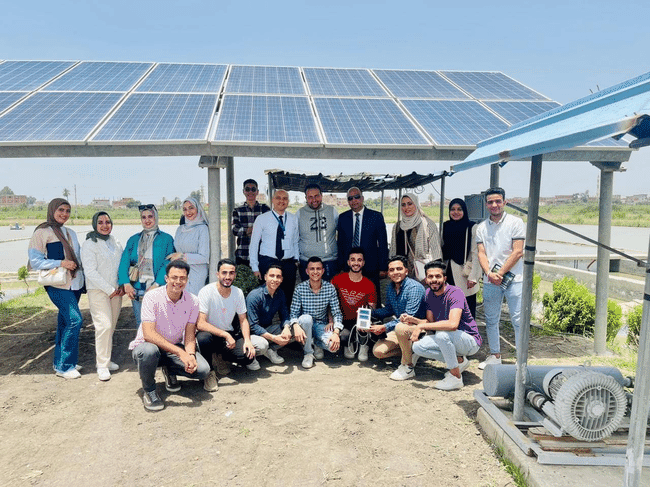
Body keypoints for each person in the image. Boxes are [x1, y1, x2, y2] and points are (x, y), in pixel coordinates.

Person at [129, 260, 210, 411]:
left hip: (173, 347)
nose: (178, 282)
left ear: (187, 279)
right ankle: (150, 391)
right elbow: (148, 334)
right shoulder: (151, 297)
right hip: (149, 346)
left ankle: (169, 370)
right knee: (148, 352)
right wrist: (181, 353)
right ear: (166, 278)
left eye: (182, 278)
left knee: (203, 370)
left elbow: (190, 333)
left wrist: (190, 354)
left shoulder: (193, 301)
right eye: (174, 277)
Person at [399, 261, 482, 390]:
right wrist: (414, 320)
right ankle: (459, 361)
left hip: (469, 341)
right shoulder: (428, 294)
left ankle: (456, 377)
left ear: (445, 278)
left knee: (442, 335)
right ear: (426, 279)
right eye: (430, 277)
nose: (434, 280)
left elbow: (452, 325)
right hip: (448, 338)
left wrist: (420, 327)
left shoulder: (455, 293)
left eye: (438, 276)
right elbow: (432, 324)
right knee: (418, 347)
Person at [28, 198, 85, 379]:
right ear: (52, 210)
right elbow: (35, 261)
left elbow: (78, 257)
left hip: (74, 283)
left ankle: (61, 361)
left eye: (68, 211)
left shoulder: (70, 232)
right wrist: (61, 262)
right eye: (60, 210)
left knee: (64, 322)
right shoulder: (42, 232)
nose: (64, 214)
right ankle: (65, 367)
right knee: (75, 320)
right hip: (56, 283)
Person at [195, 259, 268, 391]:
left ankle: (221, 357)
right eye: (224, 273)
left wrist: (247, 341)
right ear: (217, 274)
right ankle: (210, 373)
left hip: (227, 336)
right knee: (203, 338)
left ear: (235, 275)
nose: (227, 277)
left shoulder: (237, 292)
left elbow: (243, 320)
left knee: (248, 356)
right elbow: (200, 323)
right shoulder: (206, 291)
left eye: (231, 273)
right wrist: (225, 334)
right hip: (210, 334)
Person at [476, 187, 525, 370]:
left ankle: (521, 359)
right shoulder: (481, 227)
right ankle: (495, 355)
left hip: (515, 279)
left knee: (518, 320)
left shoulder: (516, 222)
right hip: (491, 280)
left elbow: (518, 251)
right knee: (491, 319)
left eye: (498, 201)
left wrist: (500, 273)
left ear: (504, 202)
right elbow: (481, 253)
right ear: (486, 204)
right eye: (490, 202)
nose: (494, 205)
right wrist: (489, 273)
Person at [81, 211, 124, 381]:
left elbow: (121, 265)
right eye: (100, 222)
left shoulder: (115, 241)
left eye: (107, 222)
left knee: (111, 327)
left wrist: (120, 285)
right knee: (103, 326)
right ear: (94, 224)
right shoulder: (89, 244)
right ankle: (101, 366)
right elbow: (90, 271)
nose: (105, 225)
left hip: (116, 291)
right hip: (98, 291)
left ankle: (107, 359)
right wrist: (109, 289)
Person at [118, 204, 175, 326]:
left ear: (156, 217)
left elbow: (167, 263)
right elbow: (124, 261)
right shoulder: (134, 239)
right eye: (143, 217)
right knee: (142, 324)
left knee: (161, 324)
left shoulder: (166, 239)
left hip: (159, 288)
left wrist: (157, 284)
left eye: (150, 216)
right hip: (137, 289)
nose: (147, 220)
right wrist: (126, 283)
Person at [337, 187, 388, 306]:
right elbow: (340, 244)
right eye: (350, 198)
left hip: (371, 265)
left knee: (373, 296)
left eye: (357, 197)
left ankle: (375, 320)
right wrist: (341, 266)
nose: (354, 200)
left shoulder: (376, 216)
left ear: (362, 198)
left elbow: (383, 243)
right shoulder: (343, 218)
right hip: (350, 266)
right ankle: (352, 321)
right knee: (352, 297)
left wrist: (383, 266)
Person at [289, 256, 344, 369]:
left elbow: (336, 312)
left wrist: (336, 333)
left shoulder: (330, 288)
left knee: (333, 347)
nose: (315, 272)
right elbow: (293, 313)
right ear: (307, 271)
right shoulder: (300, 288)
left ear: (323, 271)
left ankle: (315, 342)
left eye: (318, 269)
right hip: (305, 325)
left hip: (321, 325)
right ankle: (308, 353)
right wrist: (295, 325)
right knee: (306, 319)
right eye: (312, 269)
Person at [371, 255, 425, 363]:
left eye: (399, 269)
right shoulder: (390, 287)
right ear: (388, 273)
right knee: (378, 352)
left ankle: (407, 363)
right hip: (400, 327)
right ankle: (413, 352)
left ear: (406, 271)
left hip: (418, 328)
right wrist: (370, 313)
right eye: (391, 270)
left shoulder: (414, 287)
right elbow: (389, 309)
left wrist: (384, 327)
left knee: (401, 327)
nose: (395, 272)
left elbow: (409, 316)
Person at [249, 189, 299, 304]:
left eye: (285, 198)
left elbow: (295, 241)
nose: (281, 201)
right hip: (268, 262)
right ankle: (265, 321)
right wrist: (255, 267)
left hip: (288, 263)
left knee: (287, 296)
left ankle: (285, 320)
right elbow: (254, 244)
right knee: (267, 296)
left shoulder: (293, 219)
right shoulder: (262, 219)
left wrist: (296, 260)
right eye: (278, 198)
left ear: (288, 201)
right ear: (272, 200)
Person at [331, 248, 377, 362]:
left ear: (363, 263)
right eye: (353, 260)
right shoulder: (338, 279)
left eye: (359, 260)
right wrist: (331, 321)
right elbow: (328, 302)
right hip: (343, 320)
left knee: (366, 323)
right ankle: (349, 343)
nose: (356, 263)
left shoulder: (369, 284)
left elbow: (372, 308)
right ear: (348, 262)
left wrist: (365, 320)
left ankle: (363, 345)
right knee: (345, 339)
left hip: (359, 321)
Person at [441, 198, 481, 318]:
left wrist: (474, 277)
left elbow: (476, 254)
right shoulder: (446, 226)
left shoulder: (472, 227)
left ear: (465, 211)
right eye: (452, 209)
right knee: (450, 306)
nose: (456, 212)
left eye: (459, 209)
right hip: (448, 271)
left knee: (467, 309)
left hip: (464, 274)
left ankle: (469, 335)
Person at [246, 264, 292, 365]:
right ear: (265, 277)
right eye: (272, 275)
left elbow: (285, 315)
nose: (275, 279)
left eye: (278, 276)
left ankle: (270, 350)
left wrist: (287, 327)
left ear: (281, 279)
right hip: (250, 334)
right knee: (263, 344)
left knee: (294, 329)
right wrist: (274, 338)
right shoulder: (254, 296)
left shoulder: (280, 293)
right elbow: (253, 326)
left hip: (267, 328)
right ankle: (250, 358)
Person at [390, 193, 442, 278]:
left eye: (410, 203)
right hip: (401, 274)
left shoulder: (428, 224)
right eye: (403, 205)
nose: (406, 207)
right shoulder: (397, 226)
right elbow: (393, 251)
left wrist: (433, 274)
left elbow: (436, 253)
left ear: (416, 204)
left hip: (423, 273)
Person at [296, 183, 338, 281]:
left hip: (329, 261)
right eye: (310, 197)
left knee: (329, 293)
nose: (314, 200)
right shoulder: (299, 213)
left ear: (321, 195)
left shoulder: (332, 211)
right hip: (307, 261)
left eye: (316, 196)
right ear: (306, 198)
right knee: (309, 293)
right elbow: (294, 237)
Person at [168, 197, 209, 296]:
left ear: (198, 209)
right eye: (185, 209)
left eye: (191, 208)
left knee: (192, 303)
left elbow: (204, 257)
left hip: (196, 273)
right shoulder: (180, 229)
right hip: (180, 272)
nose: (188, 212)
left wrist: (182, 256)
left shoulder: (202, 229)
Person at [231, 179, 270, 267]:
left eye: (253, 189)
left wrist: (247, 231)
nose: (250, 192)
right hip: (243, 255)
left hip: (261, 255)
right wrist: (256, 230)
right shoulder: (237, 210)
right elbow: (235, 230)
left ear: (257, 192)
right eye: (247, 189)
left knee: (262, 280)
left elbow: (269, 229)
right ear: (244, 191)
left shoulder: (265, 209)